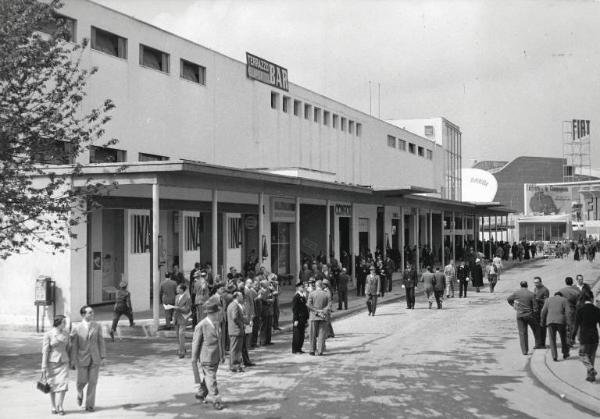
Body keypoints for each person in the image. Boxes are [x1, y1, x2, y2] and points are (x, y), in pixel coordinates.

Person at [70, 306, 106, 412]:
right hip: (82, 358)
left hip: (95, 358)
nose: (92, 314)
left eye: (92, 312)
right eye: (89, 312)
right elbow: (74, 346)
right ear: (83, 314)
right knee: (81, 381)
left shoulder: (97, 326)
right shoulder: (76, 327)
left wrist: (103, 356)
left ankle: (90, 405)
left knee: (93, 382)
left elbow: (101, 341)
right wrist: (73, 360)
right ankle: (80, 392)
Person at [192, 300, 225, 410]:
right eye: (217, 312)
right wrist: (194, 359)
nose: (219, 314)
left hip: (216, 357)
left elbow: (220, 340)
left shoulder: (216, 323)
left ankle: (201, 393)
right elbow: (196, 343)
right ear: (212, 313)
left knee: (209, 378)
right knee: (212, 379)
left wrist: (222, 355)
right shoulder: (201, 325)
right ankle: (216, 400)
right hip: (206, 358)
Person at [42, 315, 70, 415]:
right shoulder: (48, 334)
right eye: (64, 322)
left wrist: (70, 360)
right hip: (51, 363)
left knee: (63, 383)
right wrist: (43, 366)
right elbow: (45, 351)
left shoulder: (66, 333)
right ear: (58, 323)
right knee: (52, 385)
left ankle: (60, 405)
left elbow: (68, 348)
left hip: (64, 362)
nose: (65, 324)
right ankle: (53, 406)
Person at [507, 281, 543, 355]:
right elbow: (535, 307)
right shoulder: (531, 294)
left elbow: (509, 299)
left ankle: (524, 351)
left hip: (520, 315)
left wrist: (513, 305)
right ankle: (538, 344)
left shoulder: (516, 293)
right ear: (527, 285)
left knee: (522, 333)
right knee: (536, 328)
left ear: (520, 286)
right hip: (529, 314)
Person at [573, 291, 600, 382]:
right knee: (591, 356)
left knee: (582, 355)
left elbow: (576, 326)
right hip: (594, 336)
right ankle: (591, 377)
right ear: (591, 299)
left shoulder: (580, 310)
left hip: (584, 336)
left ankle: (591, 369)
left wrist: (572, 337)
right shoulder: (597, 310)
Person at [540, 291, 569, 362]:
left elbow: (543, 311)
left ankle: (554, 356)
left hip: (550, 321)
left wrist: (542, 322)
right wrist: (569, 323)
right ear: (561, 296)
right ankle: (565, 353)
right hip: (561, 321)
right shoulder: (564, 300)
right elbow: (568, 312)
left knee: (552, 339)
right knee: (564, 338)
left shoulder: (548, 300)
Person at [307, 279, 330, 356]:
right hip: (323, 316)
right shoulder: (326, 294)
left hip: (314, 316)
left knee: (312, 334)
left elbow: (309, 305)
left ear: (316, 286)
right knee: (321, 334)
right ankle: (320, 351)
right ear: (322, 285)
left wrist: (316, 311)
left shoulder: (312, 293)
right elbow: (329, 305)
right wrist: (322, 311)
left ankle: (312, 350)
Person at [559, 276, 581, 346]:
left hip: (565, 310)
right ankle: (579, 339)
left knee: (567, 326)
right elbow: (580, 301)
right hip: (574, 309)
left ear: (565, 282)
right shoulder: (577, 290)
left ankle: (569, 341)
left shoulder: (561, 291)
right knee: (576, 325)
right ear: (572, 282)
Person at [227, 291, 245, 372]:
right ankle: (235, 365)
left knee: (234, 348)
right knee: (236, 349)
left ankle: (234, 365)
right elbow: (235, 317)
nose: (242, 297)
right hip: (236, 330)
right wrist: (241, 324)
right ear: (237, 296)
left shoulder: (231, 304)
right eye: (241, 296)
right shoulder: (234, 305)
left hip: (233, 330)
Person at [174, 284, 192, 358]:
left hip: (183, 317)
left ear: (182, 289)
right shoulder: (176, 296)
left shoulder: (187, 298)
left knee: (181, 334)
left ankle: (181, 352)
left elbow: (187, 309)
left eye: (178, 288)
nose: (177, 289)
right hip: (176, 317)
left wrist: (179, 308)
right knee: (178, 335)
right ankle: (182, 348)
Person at [292, 281, 309, 354]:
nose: (303, 288)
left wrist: (307, 317)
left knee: (301, 334)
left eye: (303, 287)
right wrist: (295, 319)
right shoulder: (296, 297)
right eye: (302, 287)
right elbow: (295, 309)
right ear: (298, 288)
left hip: (303, 318)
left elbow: (305, 308)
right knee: (297, 335)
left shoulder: (302, 296)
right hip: (298, 318)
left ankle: (299, 348)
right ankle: (295, 349)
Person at [533, 277, 550, 347]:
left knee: (542, 327)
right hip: (536, 311)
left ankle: (542, 344)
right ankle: (538, 344)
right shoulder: (535, 289)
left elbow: (546, 301)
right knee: (537, 328)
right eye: (534, 283)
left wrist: (538, 299)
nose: (535, 284)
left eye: (537, 282)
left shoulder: (545, 290)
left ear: (540, 282)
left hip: (542, 311)